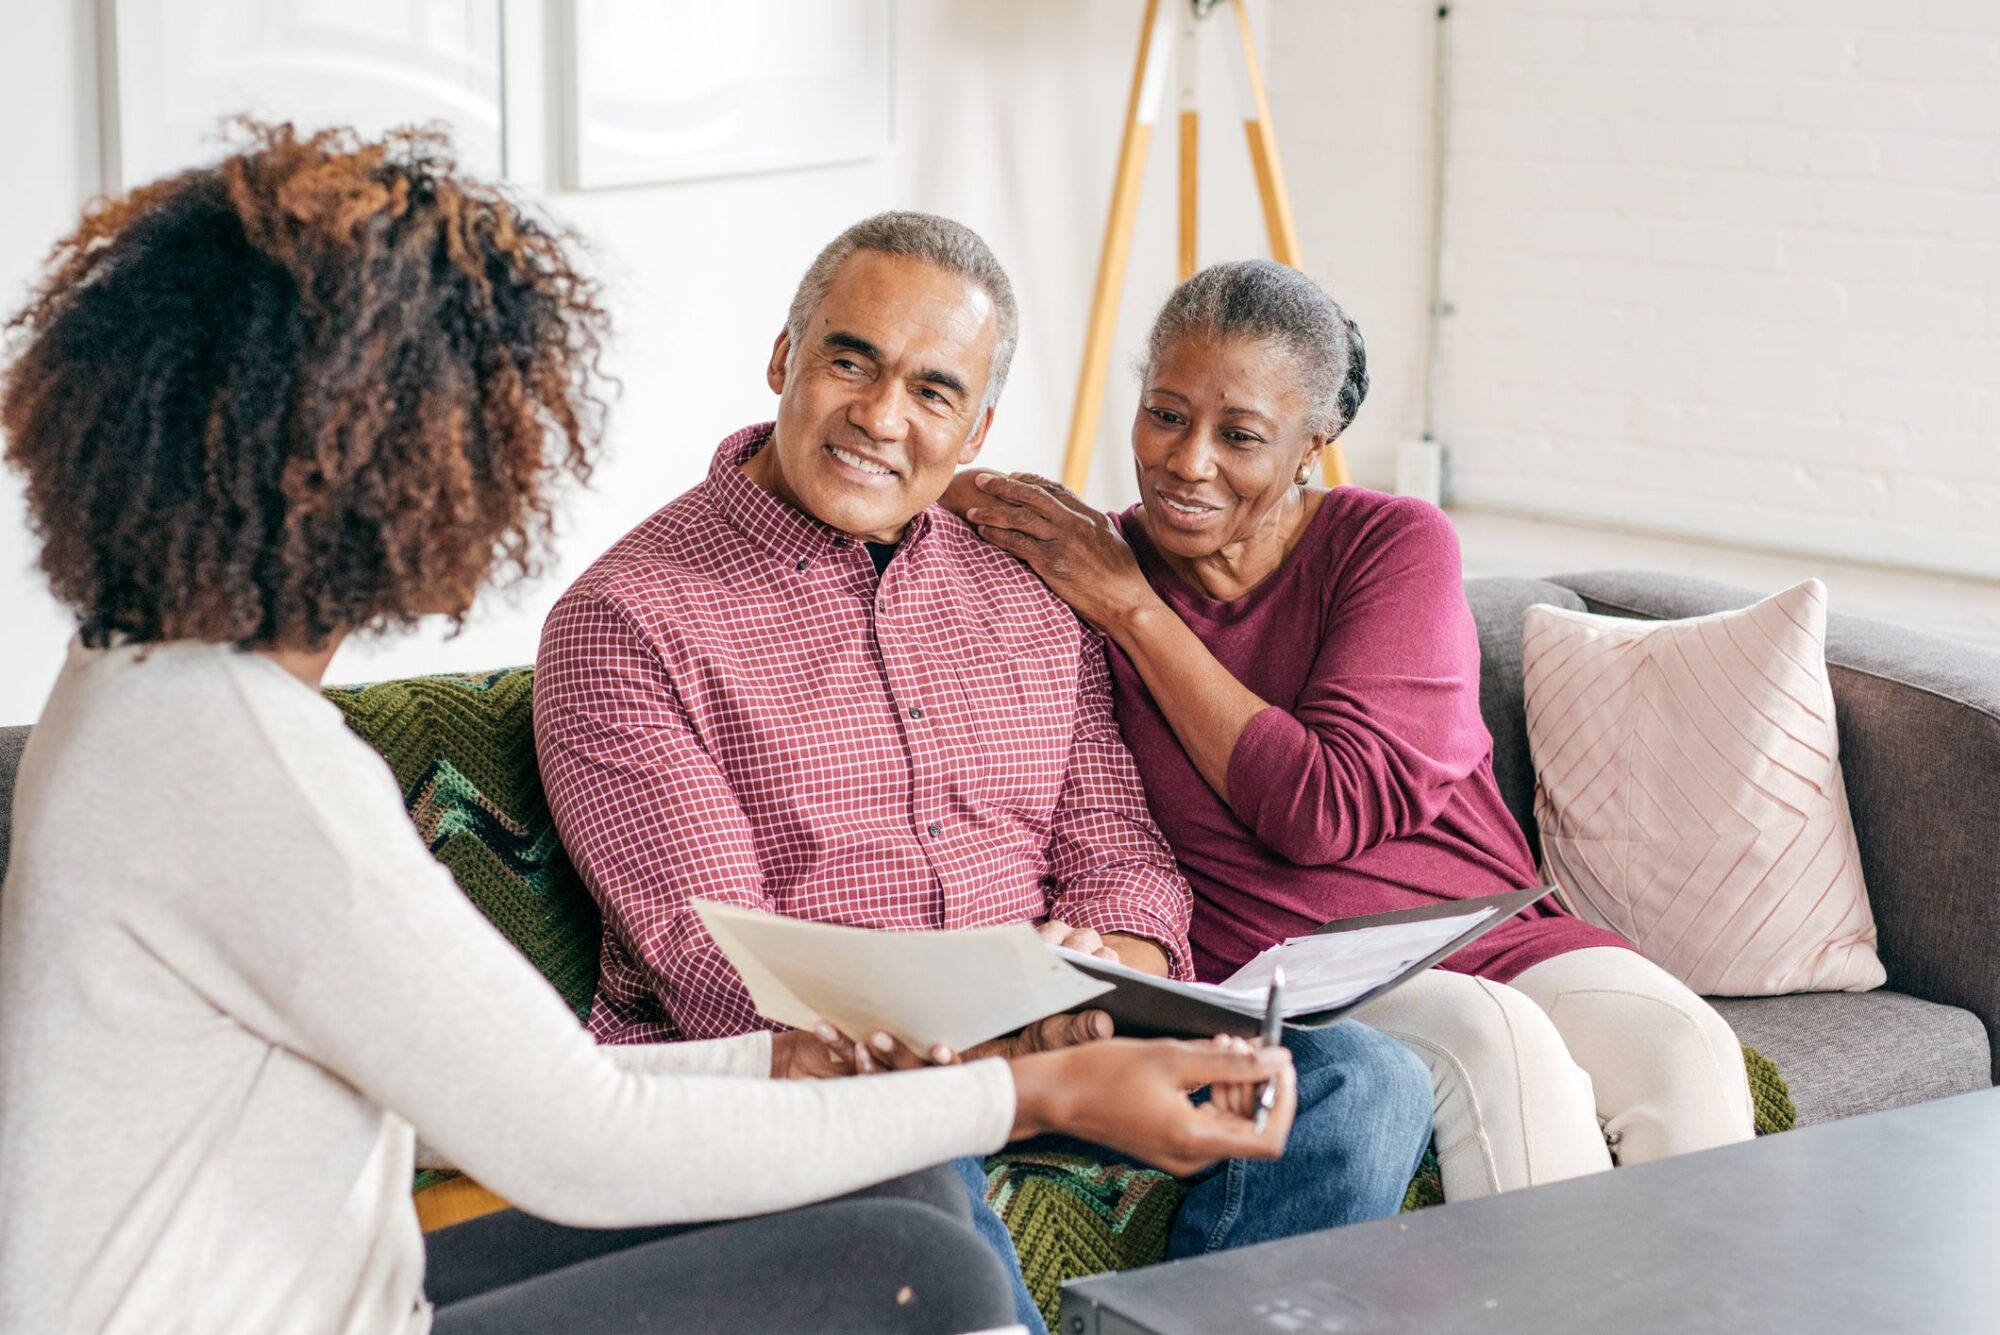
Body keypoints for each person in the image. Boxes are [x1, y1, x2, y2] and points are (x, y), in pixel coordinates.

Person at [0, 125, 1302, 1335]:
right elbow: (570, 1130)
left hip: (331, 1279)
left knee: (905, 1184)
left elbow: (481, 1104)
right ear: (374, 466)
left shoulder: (141, 685)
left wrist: (793, 1067)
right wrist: (1033, 1089)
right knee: (937, 1270)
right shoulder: (248, 767)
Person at [533, 213, 1435, 1331]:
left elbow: (1118, 850)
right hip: (822, 1077)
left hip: (1060, 1031)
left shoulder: (1025, 586)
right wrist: (1006, 1052)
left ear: (977, 429)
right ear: (783, 359)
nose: (879, 417)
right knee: (904, 1158)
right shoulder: (626, 623)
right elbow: (719, 971)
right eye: (849, 360)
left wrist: (1110, 967)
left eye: (932, 391)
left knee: (1358, 1082)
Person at [946, 259, 1757, 1205]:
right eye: (1165, 414)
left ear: (1311, 444)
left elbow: (1322, 807)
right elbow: (928, 494)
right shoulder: (1090, 564)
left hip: (1483, 927)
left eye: (1239, 434)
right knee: (1500, 1042)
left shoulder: (1390, 546)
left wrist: (1135, 609)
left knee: (1685, 1048)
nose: (1186, 460)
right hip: (1289, 971)